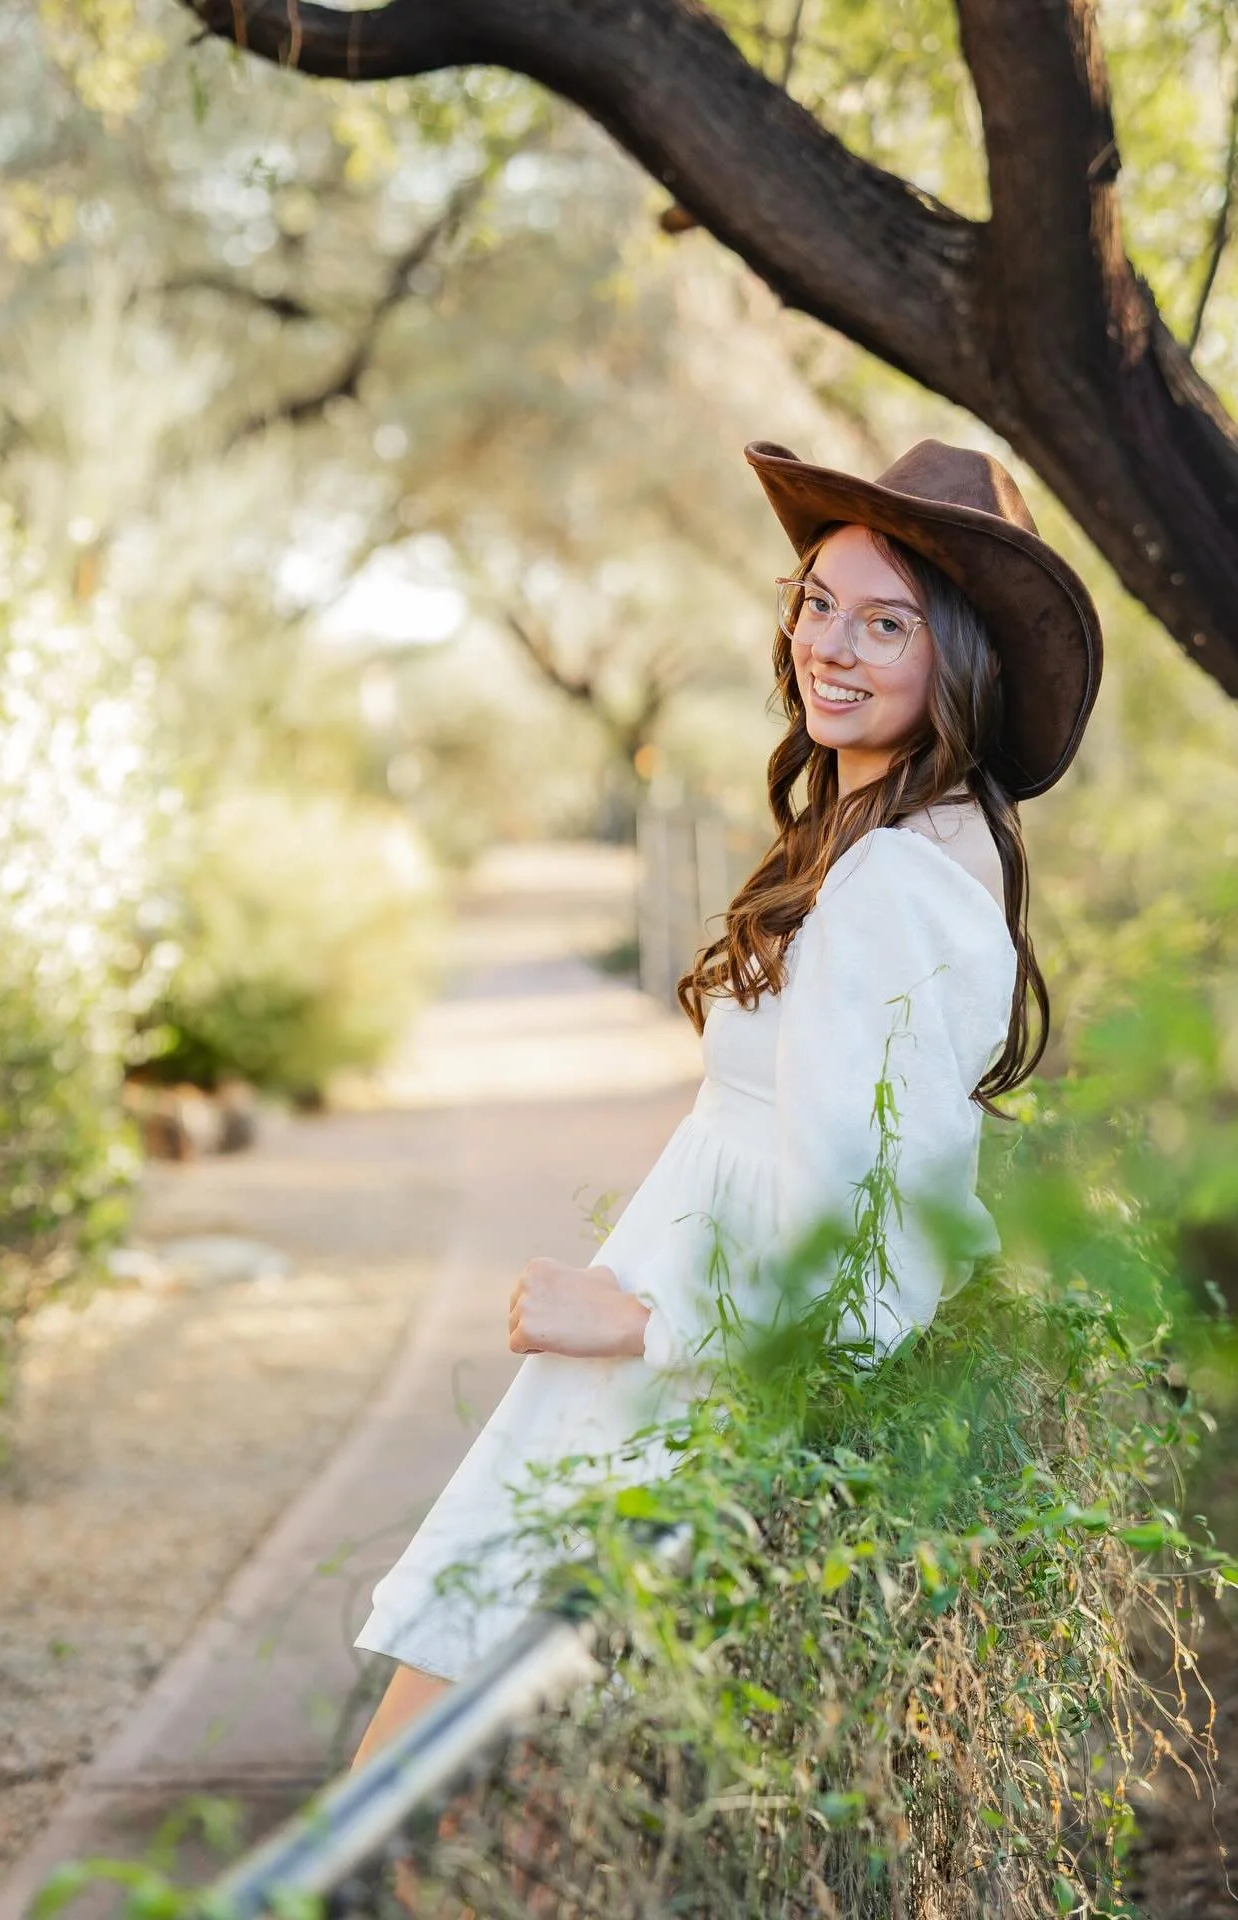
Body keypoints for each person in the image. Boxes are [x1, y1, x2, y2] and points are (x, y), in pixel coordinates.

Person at [349, 436, 1102, 1769]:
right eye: (819, 603)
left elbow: (881, 1273)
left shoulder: (895, 889)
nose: (833, 645)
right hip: (671, 1398)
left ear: (960, 662)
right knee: (454, 1811)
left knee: (425, 1811)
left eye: (886, 624)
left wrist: (638, 1318)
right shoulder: (884, 840)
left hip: (686, 1409)